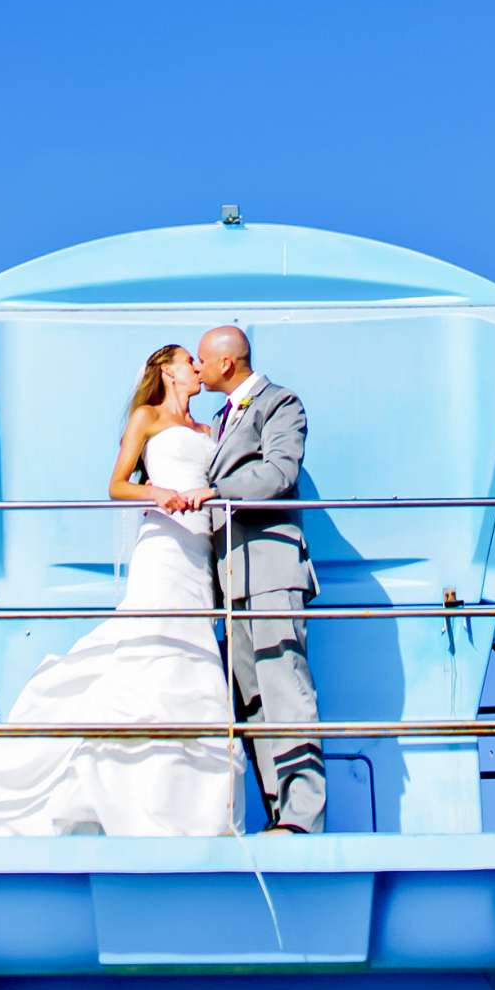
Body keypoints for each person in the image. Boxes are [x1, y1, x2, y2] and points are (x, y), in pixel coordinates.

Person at [0, 343, 241, 836]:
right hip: (163, 540)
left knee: (192, 647)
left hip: (199, 552)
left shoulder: (210, 431)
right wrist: (161, 494)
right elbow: (118, 484)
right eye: (189, 360)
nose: (197, 367)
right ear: (168, 371)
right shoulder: (147, 418)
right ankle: (107, 769)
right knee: (151, 638)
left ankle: (184, 793)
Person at [189, 325, 326, 834]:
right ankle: (278, 814)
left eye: (202, 360)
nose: (197, 369)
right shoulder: (217, 420)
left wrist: (213, 491)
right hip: (231, 580)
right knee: (251, 701)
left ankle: (303, 815)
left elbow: (279, 472)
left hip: (269, 568)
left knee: (285, 686)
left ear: (227, 363)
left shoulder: (279, 403)